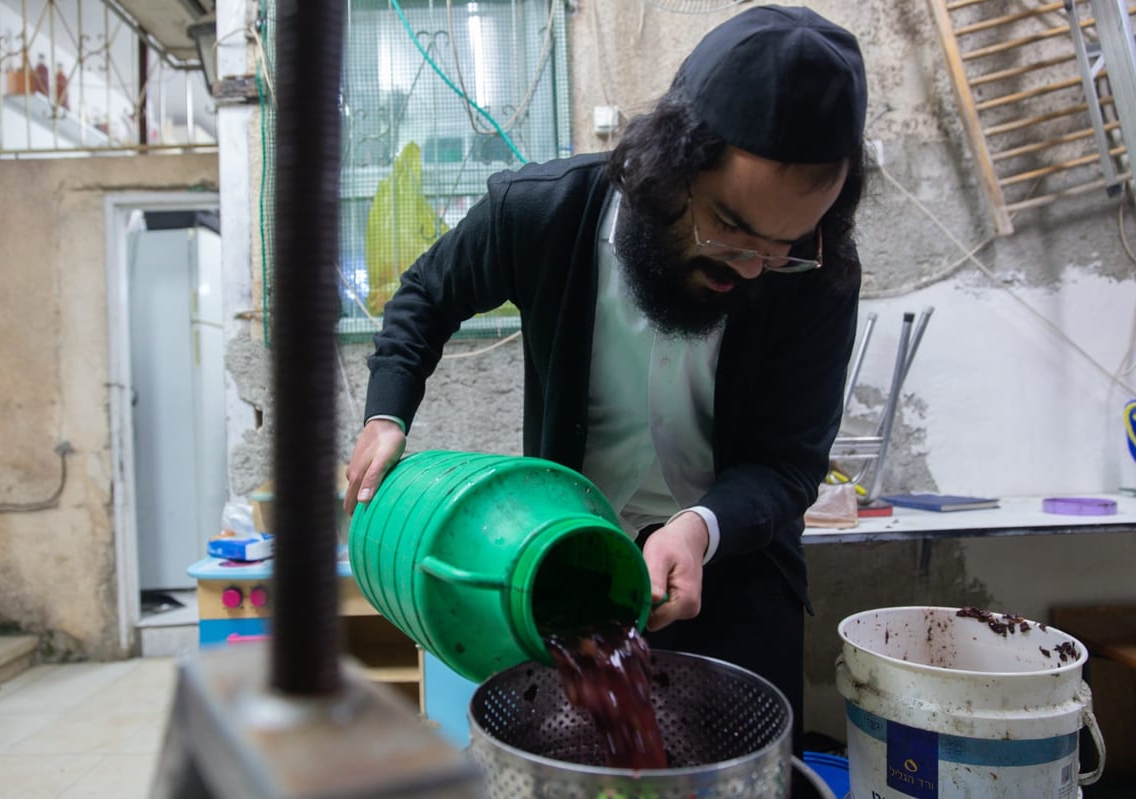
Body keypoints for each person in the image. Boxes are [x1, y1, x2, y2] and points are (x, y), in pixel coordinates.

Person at [344, 4, 868, 751]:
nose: (753, 268)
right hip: (563, 577)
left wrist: (698, 527)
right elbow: (425, 295)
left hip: (732, 578)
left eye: (784, 246)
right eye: (729, 227)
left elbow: (789, 465)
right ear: (670, 166)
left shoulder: (817, 281)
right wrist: (388, 413)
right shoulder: (541, 214)